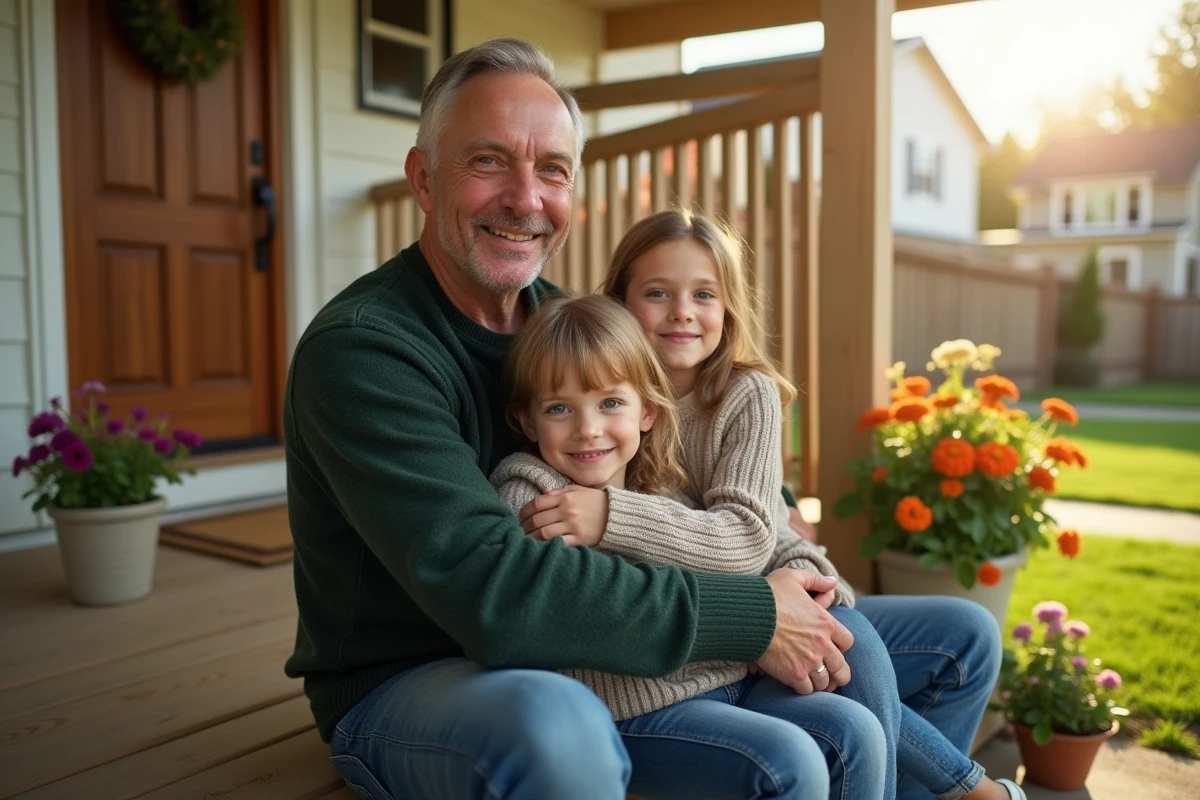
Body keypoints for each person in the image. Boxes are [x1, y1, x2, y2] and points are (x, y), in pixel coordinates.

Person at [284, 38, 853, 800]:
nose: (526, 199)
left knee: (948, 648)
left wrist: (784, 546)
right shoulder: (366, 352)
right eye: (488, 161)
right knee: (561, 728)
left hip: (593, 643)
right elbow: (497, 594)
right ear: (423, 179)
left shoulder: (563, 321)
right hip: (419, 675)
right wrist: (752, 615)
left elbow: (673, 467)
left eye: (552, 169)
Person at [491, 292, 880, 799]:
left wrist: (797, 578)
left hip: (721, 682)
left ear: (647, 412)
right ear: (526, 421)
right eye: (560, 408)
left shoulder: (656, 486)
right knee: (789, 760)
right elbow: (555, 614)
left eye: (610, 403)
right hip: (630, 711)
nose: (588, 430)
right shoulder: (531, 498)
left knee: (855, 730)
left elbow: (737, 547)